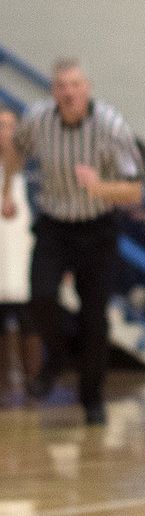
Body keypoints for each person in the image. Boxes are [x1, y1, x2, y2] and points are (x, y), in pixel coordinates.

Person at [0, 62, 143, 425]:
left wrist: (99, 186)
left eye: (75, 85)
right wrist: (7, 191)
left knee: (94, 317)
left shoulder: (111, 126)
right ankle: (60, 356)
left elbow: (134, 190)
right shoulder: (37, 119)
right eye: (61, 86)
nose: (68, 92)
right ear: (53, 91)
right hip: (55, 224)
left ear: (87, 89)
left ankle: (91, 397)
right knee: (40, 297)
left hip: (97, 226)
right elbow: (18, 157)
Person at [0, 106, 39, 399]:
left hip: (24, 258)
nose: (7, 132)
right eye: (1, 126)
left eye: (11, 126)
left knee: (29, 319)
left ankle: (33, 381)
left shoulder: (32, 171)